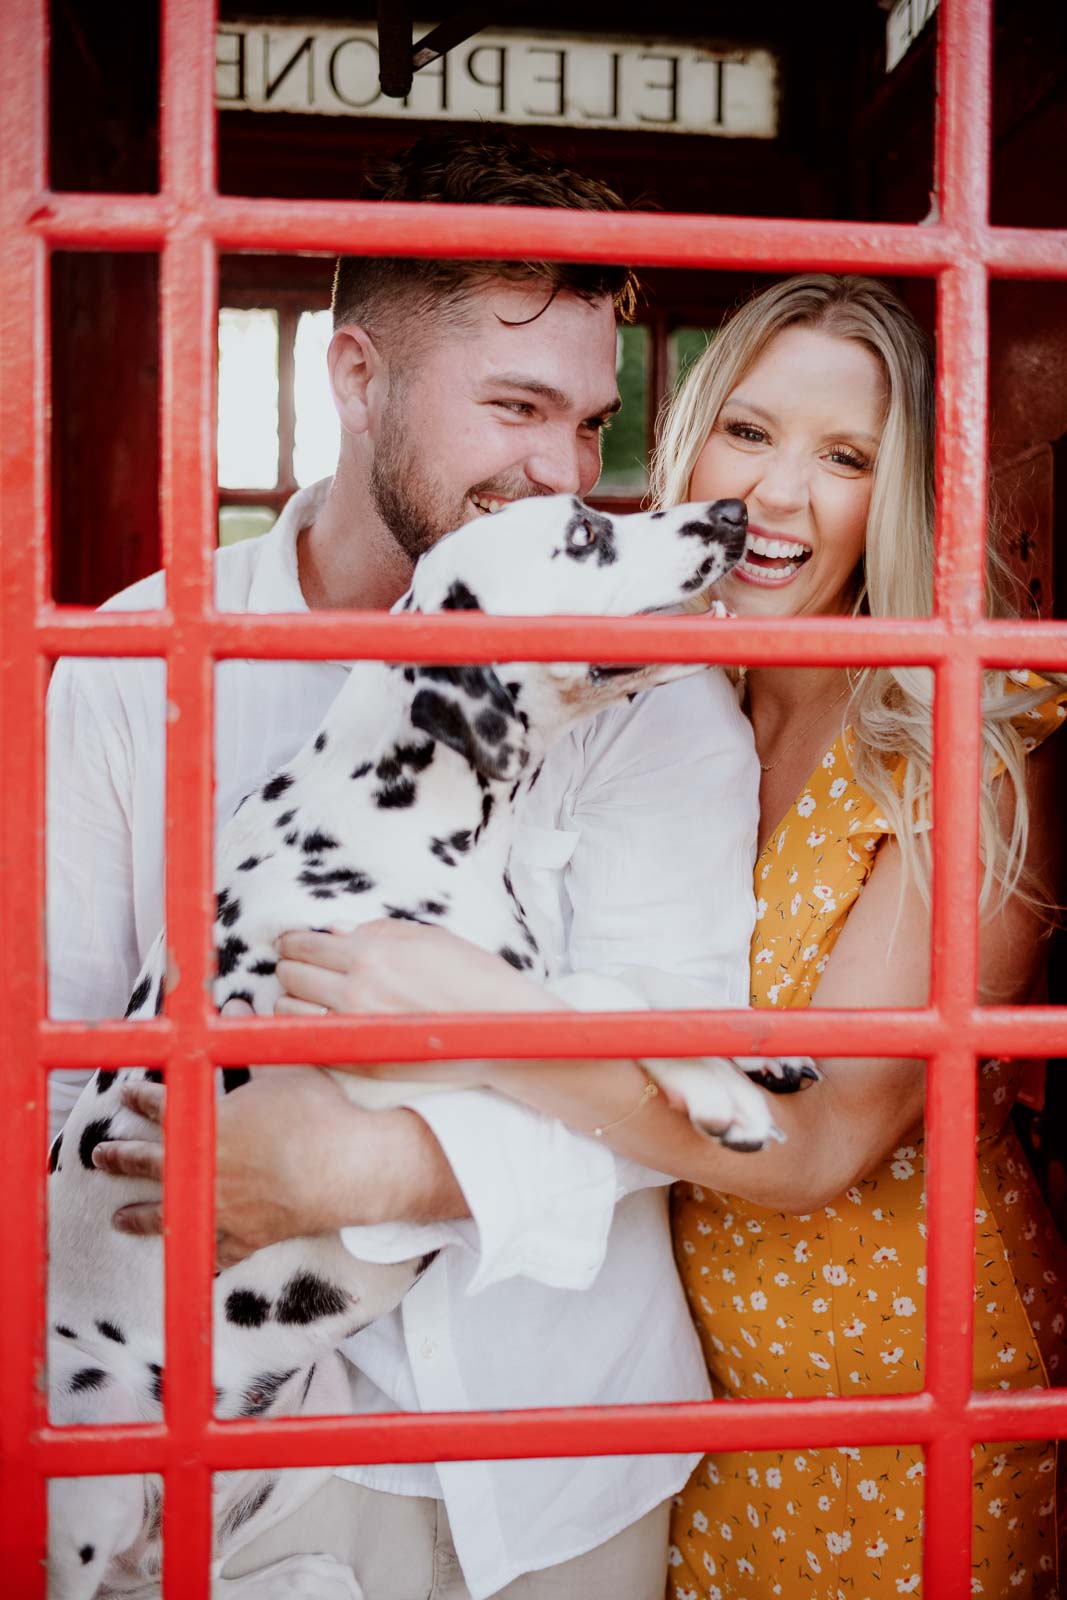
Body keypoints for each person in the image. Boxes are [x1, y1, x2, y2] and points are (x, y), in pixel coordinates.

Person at [47, 131, 769, 1600]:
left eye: (591, 421)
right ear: (357, 377)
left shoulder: (649, 692)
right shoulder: (138, 660)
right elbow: (57, 1071)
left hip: (568, 1461)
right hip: (243, 1470)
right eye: (515, 405)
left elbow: (697, 1085)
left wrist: (372, 1166)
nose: (561, 470)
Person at [313, 274, 1067, 1596]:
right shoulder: (665, 688)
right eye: (751, 432)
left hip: (901, 1397)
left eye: (845, 458)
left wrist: (477, 1018)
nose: (776, 497)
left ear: (903, 496)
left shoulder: (965, 742)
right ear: (690, 439)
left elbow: (819, 1136)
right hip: (692, 1406)